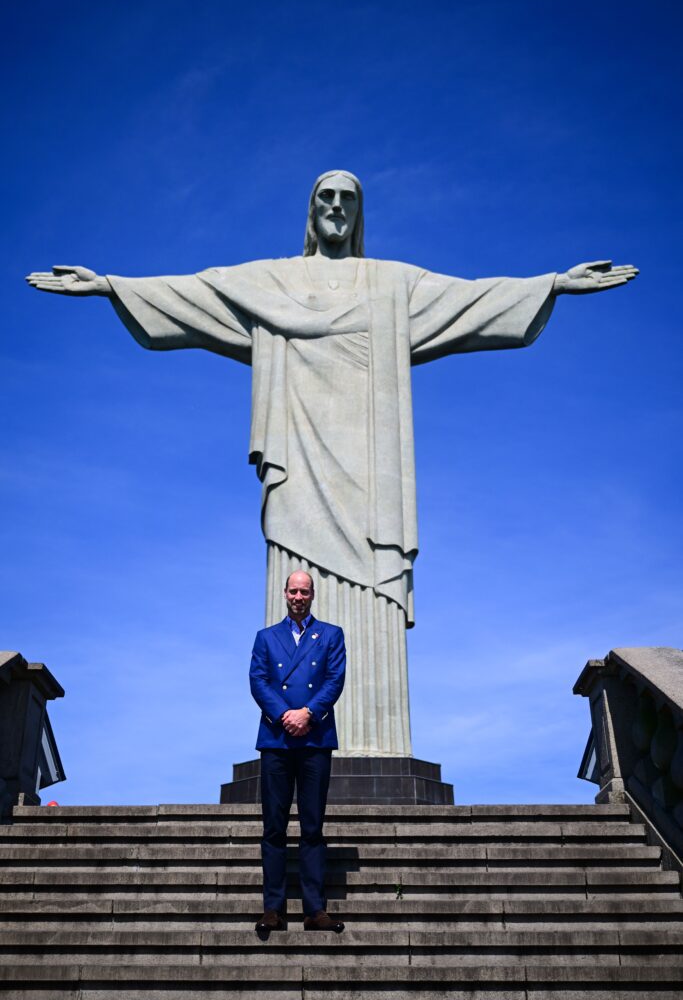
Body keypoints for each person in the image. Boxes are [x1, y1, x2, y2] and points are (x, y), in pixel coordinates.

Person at [26, 171, 638, 759]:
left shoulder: (391, 284)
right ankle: (290, 733)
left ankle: (374, 743)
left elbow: (471, 299)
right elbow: (197, 292)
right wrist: (110, 286)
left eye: (349, 198)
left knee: (373, 591)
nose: (338, 207)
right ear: (312, 212)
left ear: (360, 212)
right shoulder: (273, 281)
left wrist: (552, 284)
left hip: (372, 472)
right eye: (326, 197)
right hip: (297, 460)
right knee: (293, 582)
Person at [249, 569, 346, 932]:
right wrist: (283, 714)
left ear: (313, 595)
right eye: (293, 591)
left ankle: (314, 910)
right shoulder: (266, 637)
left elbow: (335, 679)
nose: (298, 597)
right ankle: (272, 908)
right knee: (274, 827)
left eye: (304, 591)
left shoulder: (331, 635)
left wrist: (307, 713)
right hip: (276, 738)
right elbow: (258, 680)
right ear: (285, 594)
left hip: (315, 738)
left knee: (312, 826)